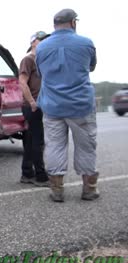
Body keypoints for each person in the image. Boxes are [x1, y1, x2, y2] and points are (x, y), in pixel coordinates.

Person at [35, 8, 99, 202]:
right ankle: (89, 189)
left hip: (52, 106)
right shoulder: (86, 43)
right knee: (86, 146)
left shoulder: (41, 47)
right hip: (80, 105)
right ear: (73, 23)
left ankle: (57, 190)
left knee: (54, 146)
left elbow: (40, 73)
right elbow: (91, 67)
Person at [19, 31, 50, 187]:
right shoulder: (28, 59)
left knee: (31, 140)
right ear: (33, 43)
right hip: (32, 105)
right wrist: (32, 102)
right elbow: (22, 82)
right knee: (38, 141)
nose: (46, 42)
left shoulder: (42, 60)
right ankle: (41, 176)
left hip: (41, 104)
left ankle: (27, 173)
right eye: (42, 40)